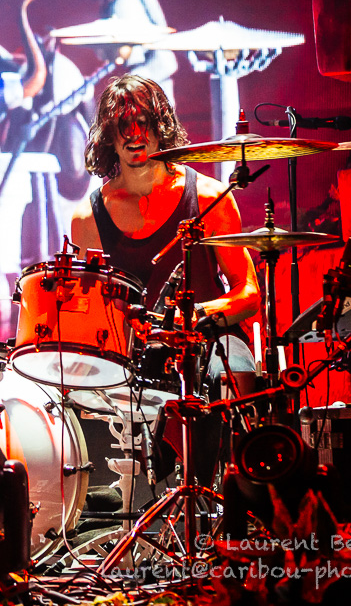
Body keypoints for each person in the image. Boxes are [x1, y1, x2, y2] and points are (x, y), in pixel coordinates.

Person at [70, 74, 261, 484]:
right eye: (123, 125)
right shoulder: (88, 218)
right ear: (108, 135)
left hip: (211, 338)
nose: (134, 135)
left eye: (144, 123)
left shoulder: (208, 196)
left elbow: (249, 293)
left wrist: (194, 316)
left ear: (162, 127)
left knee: (230, 375)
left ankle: (229, 491)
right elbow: (93, 311)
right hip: (138, 351)